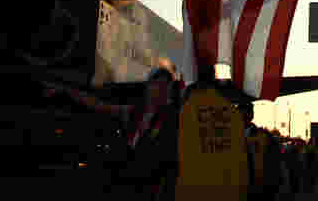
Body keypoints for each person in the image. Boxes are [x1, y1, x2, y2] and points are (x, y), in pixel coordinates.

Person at [43, 65, 181, 198]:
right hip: (123, 183)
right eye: (158, 85)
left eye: (166, 87)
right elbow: (96, 104)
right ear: (149, 87)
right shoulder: (133, 112)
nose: (162, 90)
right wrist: (66, 90)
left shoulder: (173, 118)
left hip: (150, 187)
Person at [174, 64, 248, 201]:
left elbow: (176, 157)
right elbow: (243, 161)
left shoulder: (186, 111)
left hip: (195, 193)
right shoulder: (233, 113)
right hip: (231, 193)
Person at [240, 100, 282, 201]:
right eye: (241, 112)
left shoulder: (264, 137)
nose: (244, 115)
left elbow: (274, 165)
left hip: (259, 190)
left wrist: (271, 190)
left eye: (247, 112)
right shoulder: (229, 136)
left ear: (251, 115)